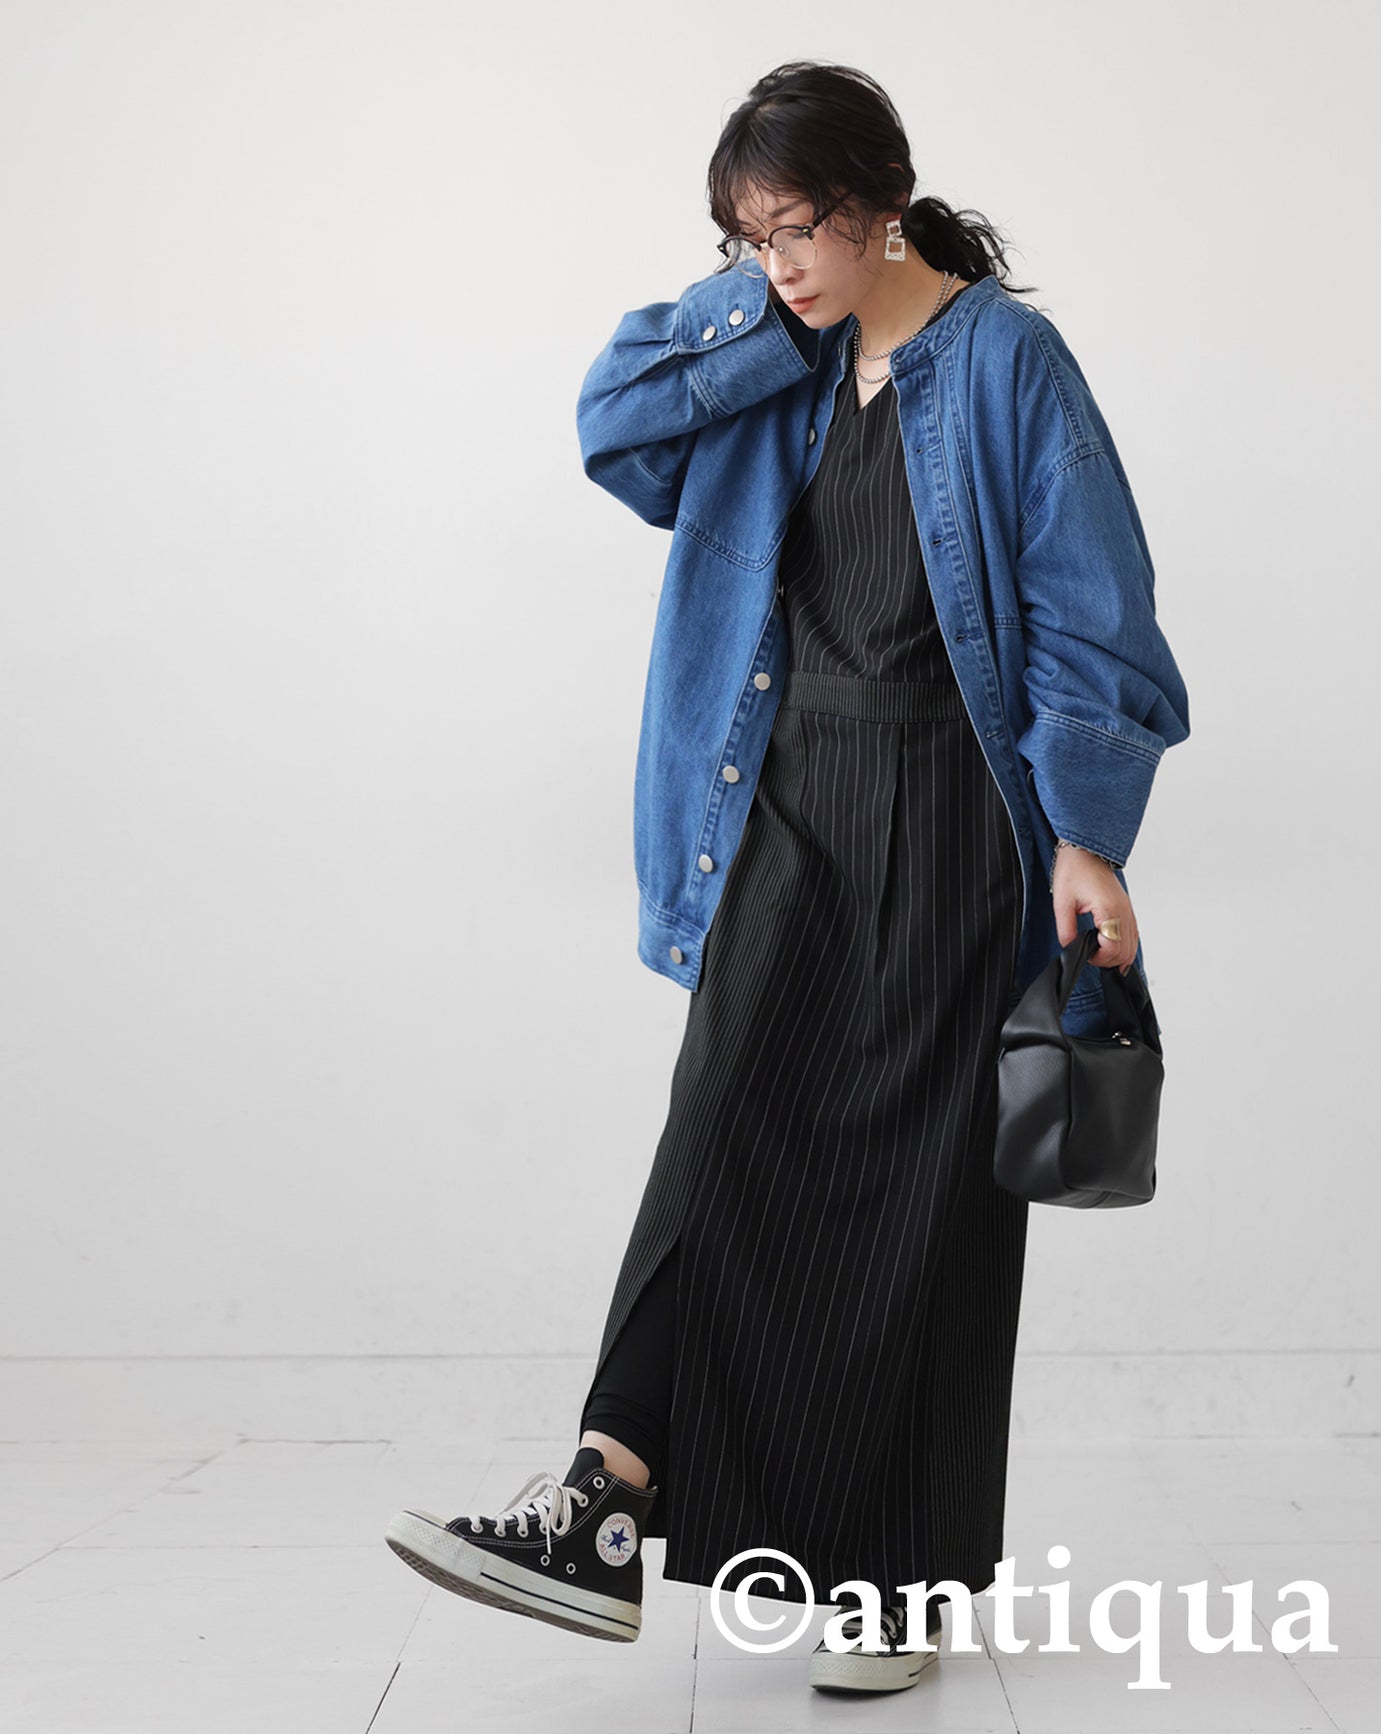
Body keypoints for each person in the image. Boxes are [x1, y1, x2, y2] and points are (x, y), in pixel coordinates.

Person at [385, 59, 1190, 1698]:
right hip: (782, 804)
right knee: (717, 1135)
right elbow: (614, 421)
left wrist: (1087, 835)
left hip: (955, 818)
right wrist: (764, 304)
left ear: (884, 195)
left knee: (921, 1204)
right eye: (750, 237)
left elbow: (1093, 609)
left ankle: (888, 1588)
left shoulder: (1009, 362)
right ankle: (606, 1494)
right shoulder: (776, 353)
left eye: (801, 226)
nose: (780, 263)